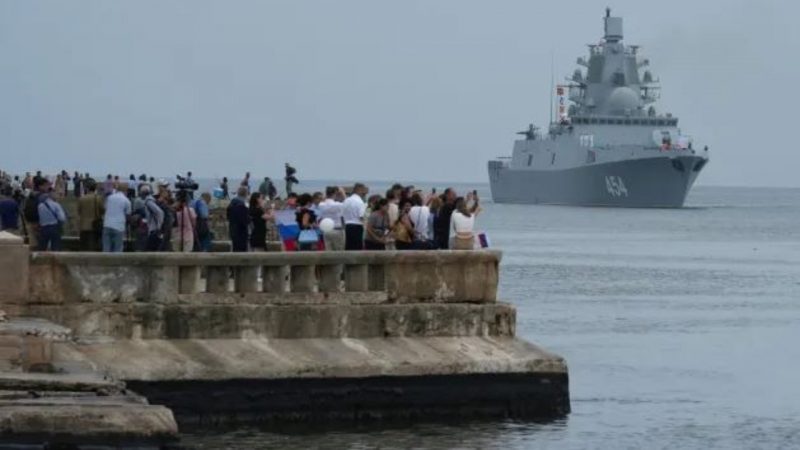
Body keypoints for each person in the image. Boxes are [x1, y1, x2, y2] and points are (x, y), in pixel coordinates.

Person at [102, 183, 131, 252]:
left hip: (107, 224)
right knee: (118, 249)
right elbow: (128, 214)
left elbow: (105, 208)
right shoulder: (126, 200)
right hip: (119, 226)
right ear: (126, 191)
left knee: (106, 248)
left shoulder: (109, 198)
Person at [36, 185, 66, 251]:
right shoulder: (56, 205)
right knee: (55, 247)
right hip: (54, 227)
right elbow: (62, 218)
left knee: (43, 247)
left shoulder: (40, 206)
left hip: (43, 228)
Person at [78, 181, 104, 251]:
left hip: (83, 225)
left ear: (87, 189)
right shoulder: (98, 198)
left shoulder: (82, 199)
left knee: (84, 246)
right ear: (95, 189)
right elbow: (102, 210)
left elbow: (79, 211)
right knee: (93, 245)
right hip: (95, 224)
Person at [317, 186, 345, 251]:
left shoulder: (321, 205)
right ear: (334, 194)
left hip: (326, 231)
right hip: (337, 230)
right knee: (339, 251)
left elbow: (323, 199)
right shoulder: (338, 205)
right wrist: (343, 192)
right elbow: (346, 202)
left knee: (328, 251)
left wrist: (326, 193)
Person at [342, 183, 368, 250]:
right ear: (359, 190)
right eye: (363, 191)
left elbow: (342, 214)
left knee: (349, 246)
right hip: (357, 226)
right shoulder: (360, 202)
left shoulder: (346, 200)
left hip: (347, 225)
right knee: (357, 247)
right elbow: (361, 216)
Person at [141, 185, 164, 251]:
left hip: (153, 229)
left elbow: (159, 212)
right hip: (154, 228)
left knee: (150, 249)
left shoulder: (149, 202)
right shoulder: (150, 200)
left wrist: (159, 226)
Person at [227, 186, 250, 252]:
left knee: (235, 248)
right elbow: (245, 219)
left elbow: (228, 217)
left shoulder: (231, 204)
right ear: (246, 194)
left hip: (233, 229)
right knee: (242, 250)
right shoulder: (243, 204)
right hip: (241, 231)